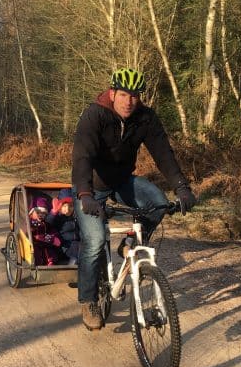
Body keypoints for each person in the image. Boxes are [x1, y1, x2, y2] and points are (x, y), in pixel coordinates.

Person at [71, 67, 196, 330]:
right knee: (94, 241)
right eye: (125, 94)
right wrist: (84, 194)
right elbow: (82, 157)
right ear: (113, 92)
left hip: (123, 182)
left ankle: (129, 244)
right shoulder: (94, 116)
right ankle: (88, 300)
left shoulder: (145, 118)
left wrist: (182, 187)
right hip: (91, 187)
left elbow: (163, 154)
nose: (130, 101)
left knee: (158, 202)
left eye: (136, 95)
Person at [46, 189, 80, 265]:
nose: (67, 209)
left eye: (70, 206)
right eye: (64, 206)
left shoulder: (75, 216)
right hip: (62, 246)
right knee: (77, 246)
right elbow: (47, 223)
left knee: (81, 245)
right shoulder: (58, 217)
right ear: (59, 206)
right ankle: (71, 267)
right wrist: (53, 212)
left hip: (74, 244)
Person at [29, 196, 63, 266]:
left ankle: (50, 261)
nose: (41, 215)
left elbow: (51, 229)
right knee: (37, 250)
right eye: (38, 212)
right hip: (34, 243)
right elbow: (28, 232)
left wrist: (54, 236)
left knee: (49, 249)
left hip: (45, 242)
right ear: (32, 212)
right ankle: (40, 263)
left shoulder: (45, 223)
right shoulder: (30, 222)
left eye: (44, 213)